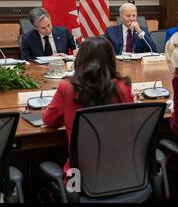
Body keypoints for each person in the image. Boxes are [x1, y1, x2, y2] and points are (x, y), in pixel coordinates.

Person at [42, 36, 134, 177]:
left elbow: (49, 120)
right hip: (124, 173)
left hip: (80, 178)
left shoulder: (67, 88)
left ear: (81, 60)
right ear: (111, 60)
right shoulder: (123, 87)